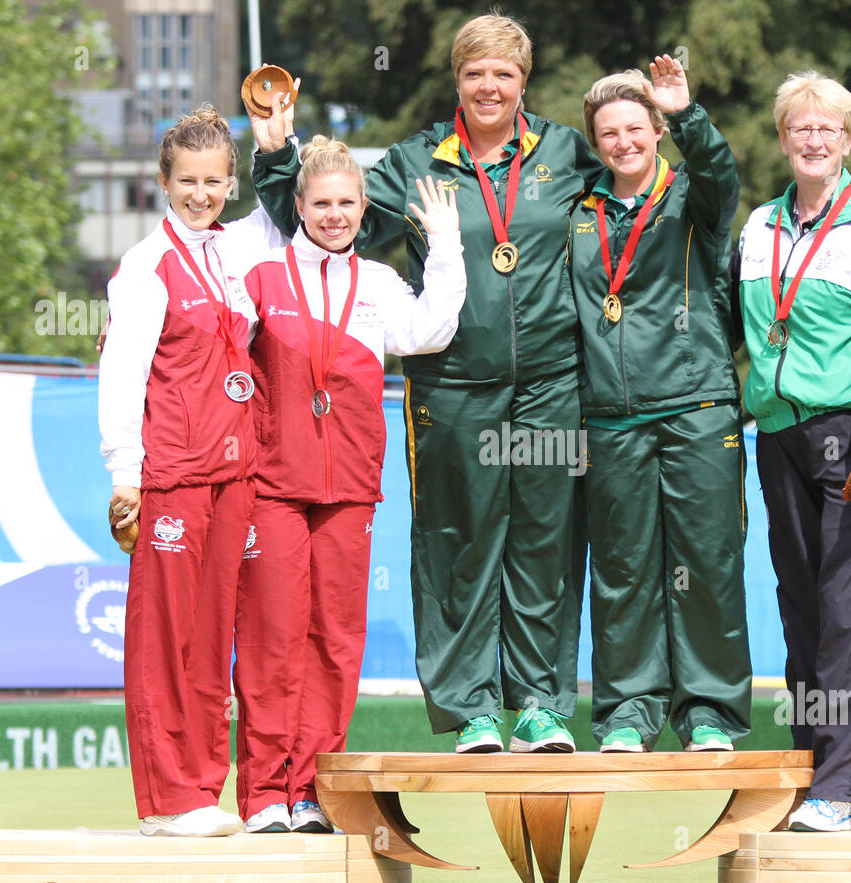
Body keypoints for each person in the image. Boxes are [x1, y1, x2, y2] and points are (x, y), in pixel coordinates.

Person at [252, 15, 601, 753]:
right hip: (451, 388)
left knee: (544, 542)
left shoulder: (566, 152)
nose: (489, 86)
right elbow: (318, 221)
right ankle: (470, 705)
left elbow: (641, 208)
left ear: (524, 82)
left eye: (503, 73)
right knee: (459, 545)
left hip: (548, 383)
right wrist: (279, 152)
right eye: (475, 72)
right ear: (456, 79)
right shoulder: (415, 163)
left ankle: (539, 703)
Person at [233, 129, 465, 833]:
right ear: (298, 204)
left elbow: (430, 332)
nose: (335, 214)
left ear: (365, 210)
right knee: (274, 636)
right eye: (322, 201)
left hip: (350, 486)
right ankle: (266, 793)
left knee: (335, 640)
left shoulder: (379, 284)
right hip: (274, 483)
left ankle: (312, 788)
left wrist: (448, 246)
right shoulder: (263, 277)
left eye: (347, 203)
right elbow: (216, 343)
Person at [731, 71, 851, 830]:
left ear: (845, 141)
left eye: (828, 129)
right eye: (799, 127)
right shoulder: (756, 227)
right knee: (800, 606)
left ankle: (845, 785)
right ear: (782, 138)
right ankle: (810, 776)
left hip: (849, 435)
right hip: (777, 432)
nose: (813, 138)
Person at [99, 106, 283, 837]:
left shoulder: (235, 252)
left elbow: (284, 214)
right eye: (187, 182)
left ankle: (203, 787)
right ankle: (166, 798)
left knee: (212, 637)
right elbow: (121, 373)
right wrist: (125, 472)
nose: (200, 194)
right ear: (163, 182)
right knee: (164, 638)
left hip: (235, 476)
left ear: (229, 183)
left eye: (213, 181)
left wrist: (277, 143)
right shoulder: (146, 267)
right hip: (172, 472)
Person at [568, 57, 751, 752]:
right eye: (609, 131)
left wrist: (686, 114)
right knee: (622, 571)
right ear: (596, 139)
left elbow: (721, 174)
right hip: (610, 417)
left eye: (636, 127)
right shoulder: (578, 209)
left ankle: (709, 711)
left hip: (696, 407)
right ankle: (627, 711)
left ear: (655, 130)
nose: (623, 141)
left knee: (706, 563)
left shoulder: (692, 198)